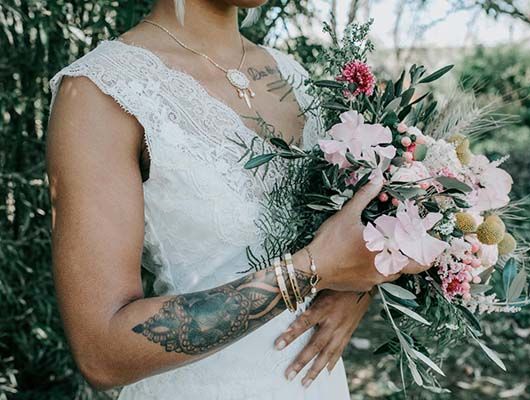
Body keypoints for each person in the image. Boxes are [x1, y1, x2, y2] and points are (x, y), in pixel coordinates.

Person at [47, 1, 426, 398]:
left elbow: (349, 227)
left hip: (317, 384)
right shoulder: (101, 90)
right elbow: (102, 354)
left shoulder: (291, 74)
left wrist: (355, 289)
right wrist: (310, 271)